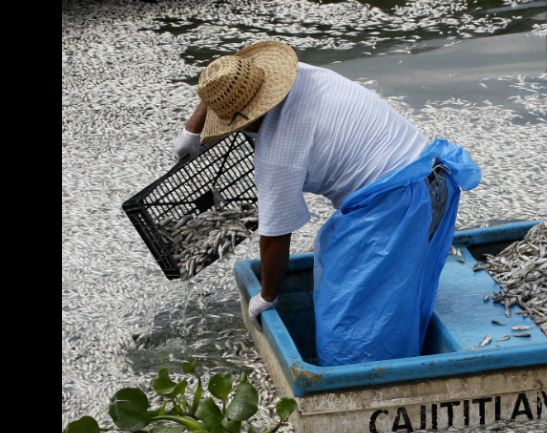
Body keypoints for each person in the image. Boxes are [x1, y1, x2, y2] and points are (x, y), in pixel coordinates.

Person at [173, 40, 481, 366]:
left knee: (354, 333)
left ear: (243, 119)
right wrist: (192, 128)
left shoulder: (277, 154)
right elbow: (229, 73)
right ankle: (409, 365)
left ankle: (364, 387)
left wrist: (267, 296)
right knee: (396, 303)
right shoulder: (300, 74)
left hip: (395, 208)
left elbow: (275, 238)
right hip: (435, 183)